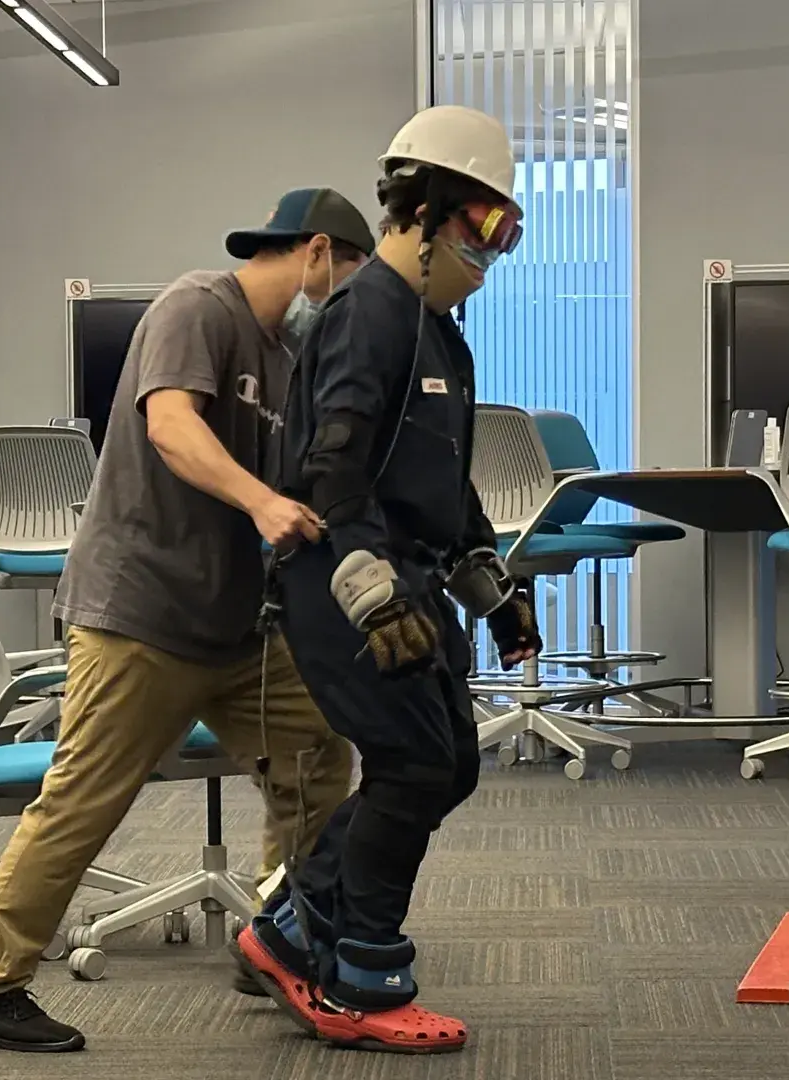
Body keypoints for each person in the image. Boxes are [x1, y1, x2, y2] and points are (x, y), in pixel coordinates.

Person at [0, 187, 374, 1053]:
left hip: (236, 626)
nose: (344, 307)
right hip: (139, 616)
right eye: (348, 283)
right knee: (81, 803)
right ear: (317, 252)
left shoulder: (289, 358)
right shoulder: (196, 307)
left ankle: (278, 940)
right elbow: (172, 428)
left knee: (320, 759)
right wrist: (260, 502)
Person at [233, 105, 540, 1055]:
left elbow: (445, 488)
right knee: (412, 764)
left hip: (411, 584)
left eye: (507, 233)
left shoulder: (440, 333)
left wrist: (493, 590)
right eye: (485, 226)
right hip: (346, 587)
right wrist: (373, 592)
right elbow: (337, 468)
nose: (493, 251)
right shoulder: (369, 312)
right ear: (427, 207)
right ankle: (359, 980)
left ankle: (288, 930)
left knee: (449, 763)